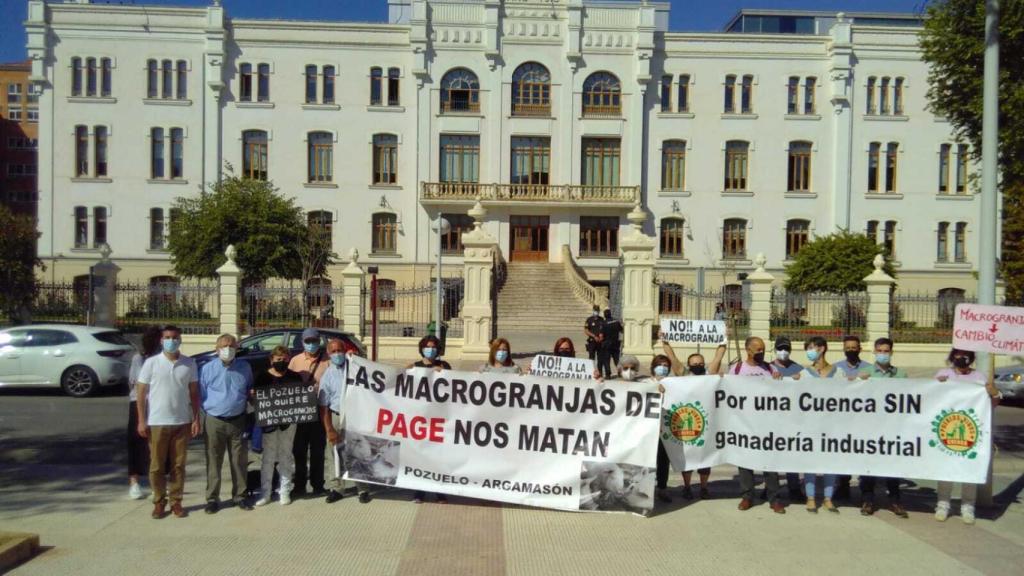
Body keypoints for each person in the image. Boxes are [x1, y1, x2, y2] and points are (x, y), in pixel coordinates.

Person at [135, 325, 200, 519]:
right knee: (156, 465)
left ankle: (176, 502)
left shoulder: (189, 363)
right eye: (168, 337)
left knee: (178, 466)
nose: (171, 340)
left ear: (180, 340)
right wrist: (141, 419)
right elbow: (141, 393)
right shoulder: (151, 363)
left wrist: (195, 418)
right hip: (157, 421)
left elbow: (194, 393)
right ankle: (159, 502)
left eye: (175, 337)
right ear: (162, 340)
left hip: (182, 421)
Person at [933, 349, 1001, 524]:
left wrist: (994, 393)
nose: (960, 358)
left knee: (969, 469)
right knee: (946, 468)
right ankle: (943, 505)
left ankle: (968, 507)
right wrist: (937, 385)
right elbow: (930, 398)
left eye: (965, 355)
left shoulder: (979, 377)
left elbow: (991, 402)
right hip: (945, 426)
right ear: (952, 356)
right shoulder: (943, 374)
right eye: (957, 354)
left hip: (970, 428)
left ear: (970, 358)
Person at [199, 334, 254, 514]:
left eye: (231, 345)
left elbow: (249, 390)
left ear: (237, 348)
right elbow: (201, 394)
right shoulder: (207, 369)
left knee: (239, 460)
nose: (228, 349)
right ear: (216, 348)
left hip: (238, 419)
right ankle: (212, 498)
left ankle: (240, 496)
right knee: (213, 460)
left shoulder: (245, 367)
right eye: (224, 345)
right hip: (215, 420)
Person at [729, 336, 785, 513]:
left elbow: (781, 394)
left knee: (770, 463)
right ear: (748, 350)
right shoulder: (737, 369)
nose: (761, 353)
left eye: (763, 349)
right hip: (745, 424)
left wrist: (779, 382)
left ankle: (774, 498)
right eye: (758, 350)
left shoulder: (770, 368)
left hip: (767, 424)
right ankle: (747, 496)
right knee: (745, 462)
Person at [858, 337, 909, 518]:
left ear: (891, 353)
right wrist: (858, 381)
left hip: (891, 427)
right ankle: (868, 500)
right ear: (874, 352)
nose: (883, 354)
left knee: (892, 466)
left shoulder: (901, 375)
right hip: (870, 428)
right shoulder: (865, 373)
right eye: (879, 351)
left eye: (886, 351)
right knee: (868, 467)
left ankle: (895, 501)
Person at [321, 338, 372, 504]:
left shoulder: (355, 367)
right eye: (333, 351)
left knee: (358, 452)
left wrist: (356, 358)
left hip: (355, 416)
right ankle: (337, 488)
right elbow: (324, 406)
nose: (337, 354)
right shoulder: (327, 375)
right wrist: (329, 428)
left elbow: (374, 375)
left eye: (340, 350)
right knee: (334, 454)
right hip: (336, 416)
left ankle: (362, 489)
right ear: (328, 354)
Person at [253, 346, 301, 506]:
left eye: (285, 359)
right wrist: (252, 396)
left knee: (286, 456)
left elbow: (300, 398)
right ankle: (265, 492)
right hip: (269, 424)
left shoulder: (295, 377)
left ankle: (285, 490)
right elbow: (256, 402)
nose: (281, 362)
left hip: (289, 423)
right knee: (268, 458)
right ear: (271, 360)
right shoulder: (262, 377)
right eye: (278, 359)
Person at [407, 334, 451, 504]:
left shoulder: (444, 365)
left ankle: (439, 492)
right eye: (427, 346)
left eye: (434, 347)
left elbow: (457, 384)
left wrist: (445, 373)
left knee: (438, 457)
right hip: (421, 420)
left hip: (439, 419)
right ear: (422, 349)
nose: (431, 350)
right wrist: (405, 371)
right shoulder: (415, 367)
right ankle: (419, 492)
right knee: (421, 456)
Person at [289, 327, 329, 497]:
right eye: (308, 341)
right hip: (300, 412)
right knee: (299, 450)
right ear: (303, 342)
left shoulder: (328, 360)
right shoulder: (295, 361)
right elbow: (286, 383)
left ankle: (318, 484)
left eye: (314, 340)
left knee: (318, 451)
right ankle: (299, 485)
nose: (311, 344)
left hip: (320, 411)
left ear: (319, 341)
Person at [800, 336, 837, 513]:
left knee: (831, 462)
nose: (809, 352)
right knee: (810, 461)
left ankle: (828, 498)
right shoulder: (804, 374)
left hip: (832, 424)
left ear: (822, 349)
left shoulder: (838, 372)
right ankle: (811, 497)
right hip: (810, 424)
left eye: (811, 348)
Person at [126, 326, 162, 500]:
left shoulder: (164, 358)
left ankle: (156, 483)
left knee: (155, 446)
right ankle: (134, 483)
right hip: (139, 403)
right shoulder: (138, 359)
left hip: (157, 403)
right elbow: (134, 384)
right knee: (136, 443)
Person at [769, 336, 804, 499]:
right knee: (772, 455)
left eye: (787, 349)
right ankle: (770, 488)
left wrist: (801, 380)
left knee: (792, 454)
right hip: (773, 418)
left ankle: (794, 488)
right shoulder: (768, 368)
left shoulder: (799, 369)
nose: (783, 352)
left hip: (792, 419)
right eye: (780, 348)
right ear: (775, 349)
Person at [596, 309, 623, 379]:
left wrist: (599, 341)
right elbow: (621, 330)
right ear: (610, 314)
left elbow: (601, 336)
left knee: (606, 360)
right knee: (617, 359)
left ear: (604, 315)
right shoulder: (616, 322)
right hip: (616, 343)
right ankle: (620, 372)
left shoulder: (603, 323)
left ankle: (608, 375)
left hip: (607, 344)